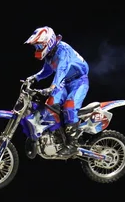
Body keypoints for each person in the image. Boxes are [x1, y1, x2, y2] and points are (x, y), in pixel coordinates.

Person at [24, 26, 90, 157]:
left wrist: (52, 87)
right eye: (36, 47)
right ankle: (57, 136)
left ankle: (73, 144)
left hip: (79, 81)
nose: (37, 49)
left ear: (48, 43)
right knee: (49, 104)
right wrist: (34, 77)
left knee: (69, 106)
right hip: (64, 82)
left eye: (39, 46)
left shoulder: (62, 50)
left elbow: (62, 70)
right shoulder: (50, 55)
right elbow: (47, 71)